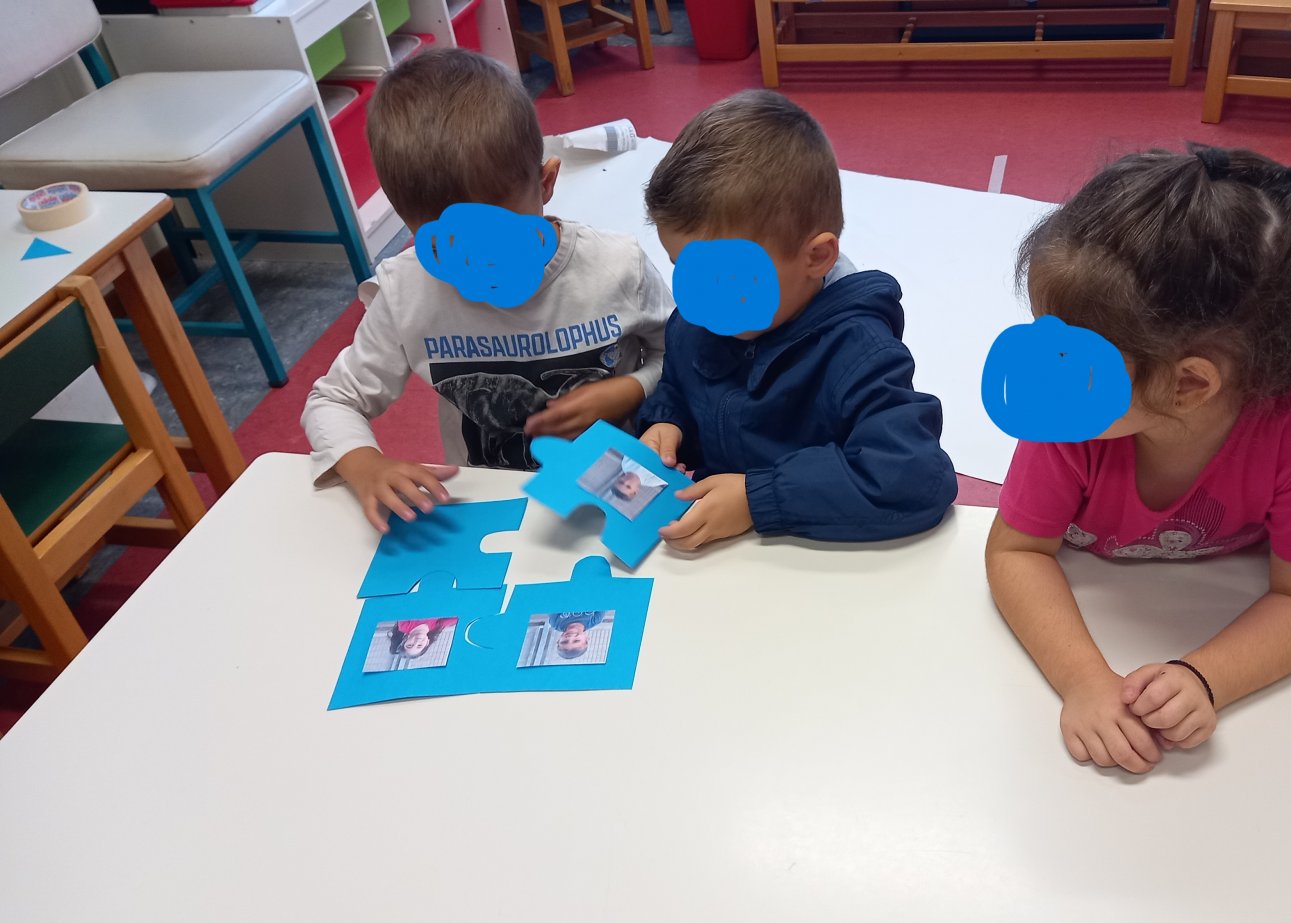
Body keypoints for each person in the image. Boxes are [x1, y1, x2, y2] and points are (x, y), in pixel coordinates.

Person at [985, 145, 1291, 775]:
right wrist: (1084, 680)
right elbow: (1016, 552)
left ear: (1188, 384)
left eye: (1071, 359)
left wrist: (1204, 678)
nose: (1044, 372)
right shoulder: (1069, 418)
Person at [302, 49, 671, 532]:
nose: (484, 266)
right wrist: (364, 463)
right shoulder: (406, 290)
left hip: (620, 491)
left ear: (546, 183)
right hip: (489, 503)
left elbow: (683, 357)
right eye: (451, 249)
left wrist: (630, 388)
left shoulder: (617, 265)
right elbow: (333, 401)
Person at [635, 90, 957, 549]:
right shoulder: (697, 321)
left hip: (806, 551)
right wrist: (668, 421)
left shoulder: (859, 351)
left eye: (723, 280)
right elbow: (679, 385)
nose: (699, 300)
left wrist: (757, 499)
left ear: (817, 257)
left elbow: (915, 478)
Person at [389, 617, 456, 661]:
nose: (417, 642)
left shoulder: (404, 626)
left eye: (410, 645)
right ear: (427, 642)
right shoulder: (437, 626)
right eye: (419, 645)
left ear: (405, 639)